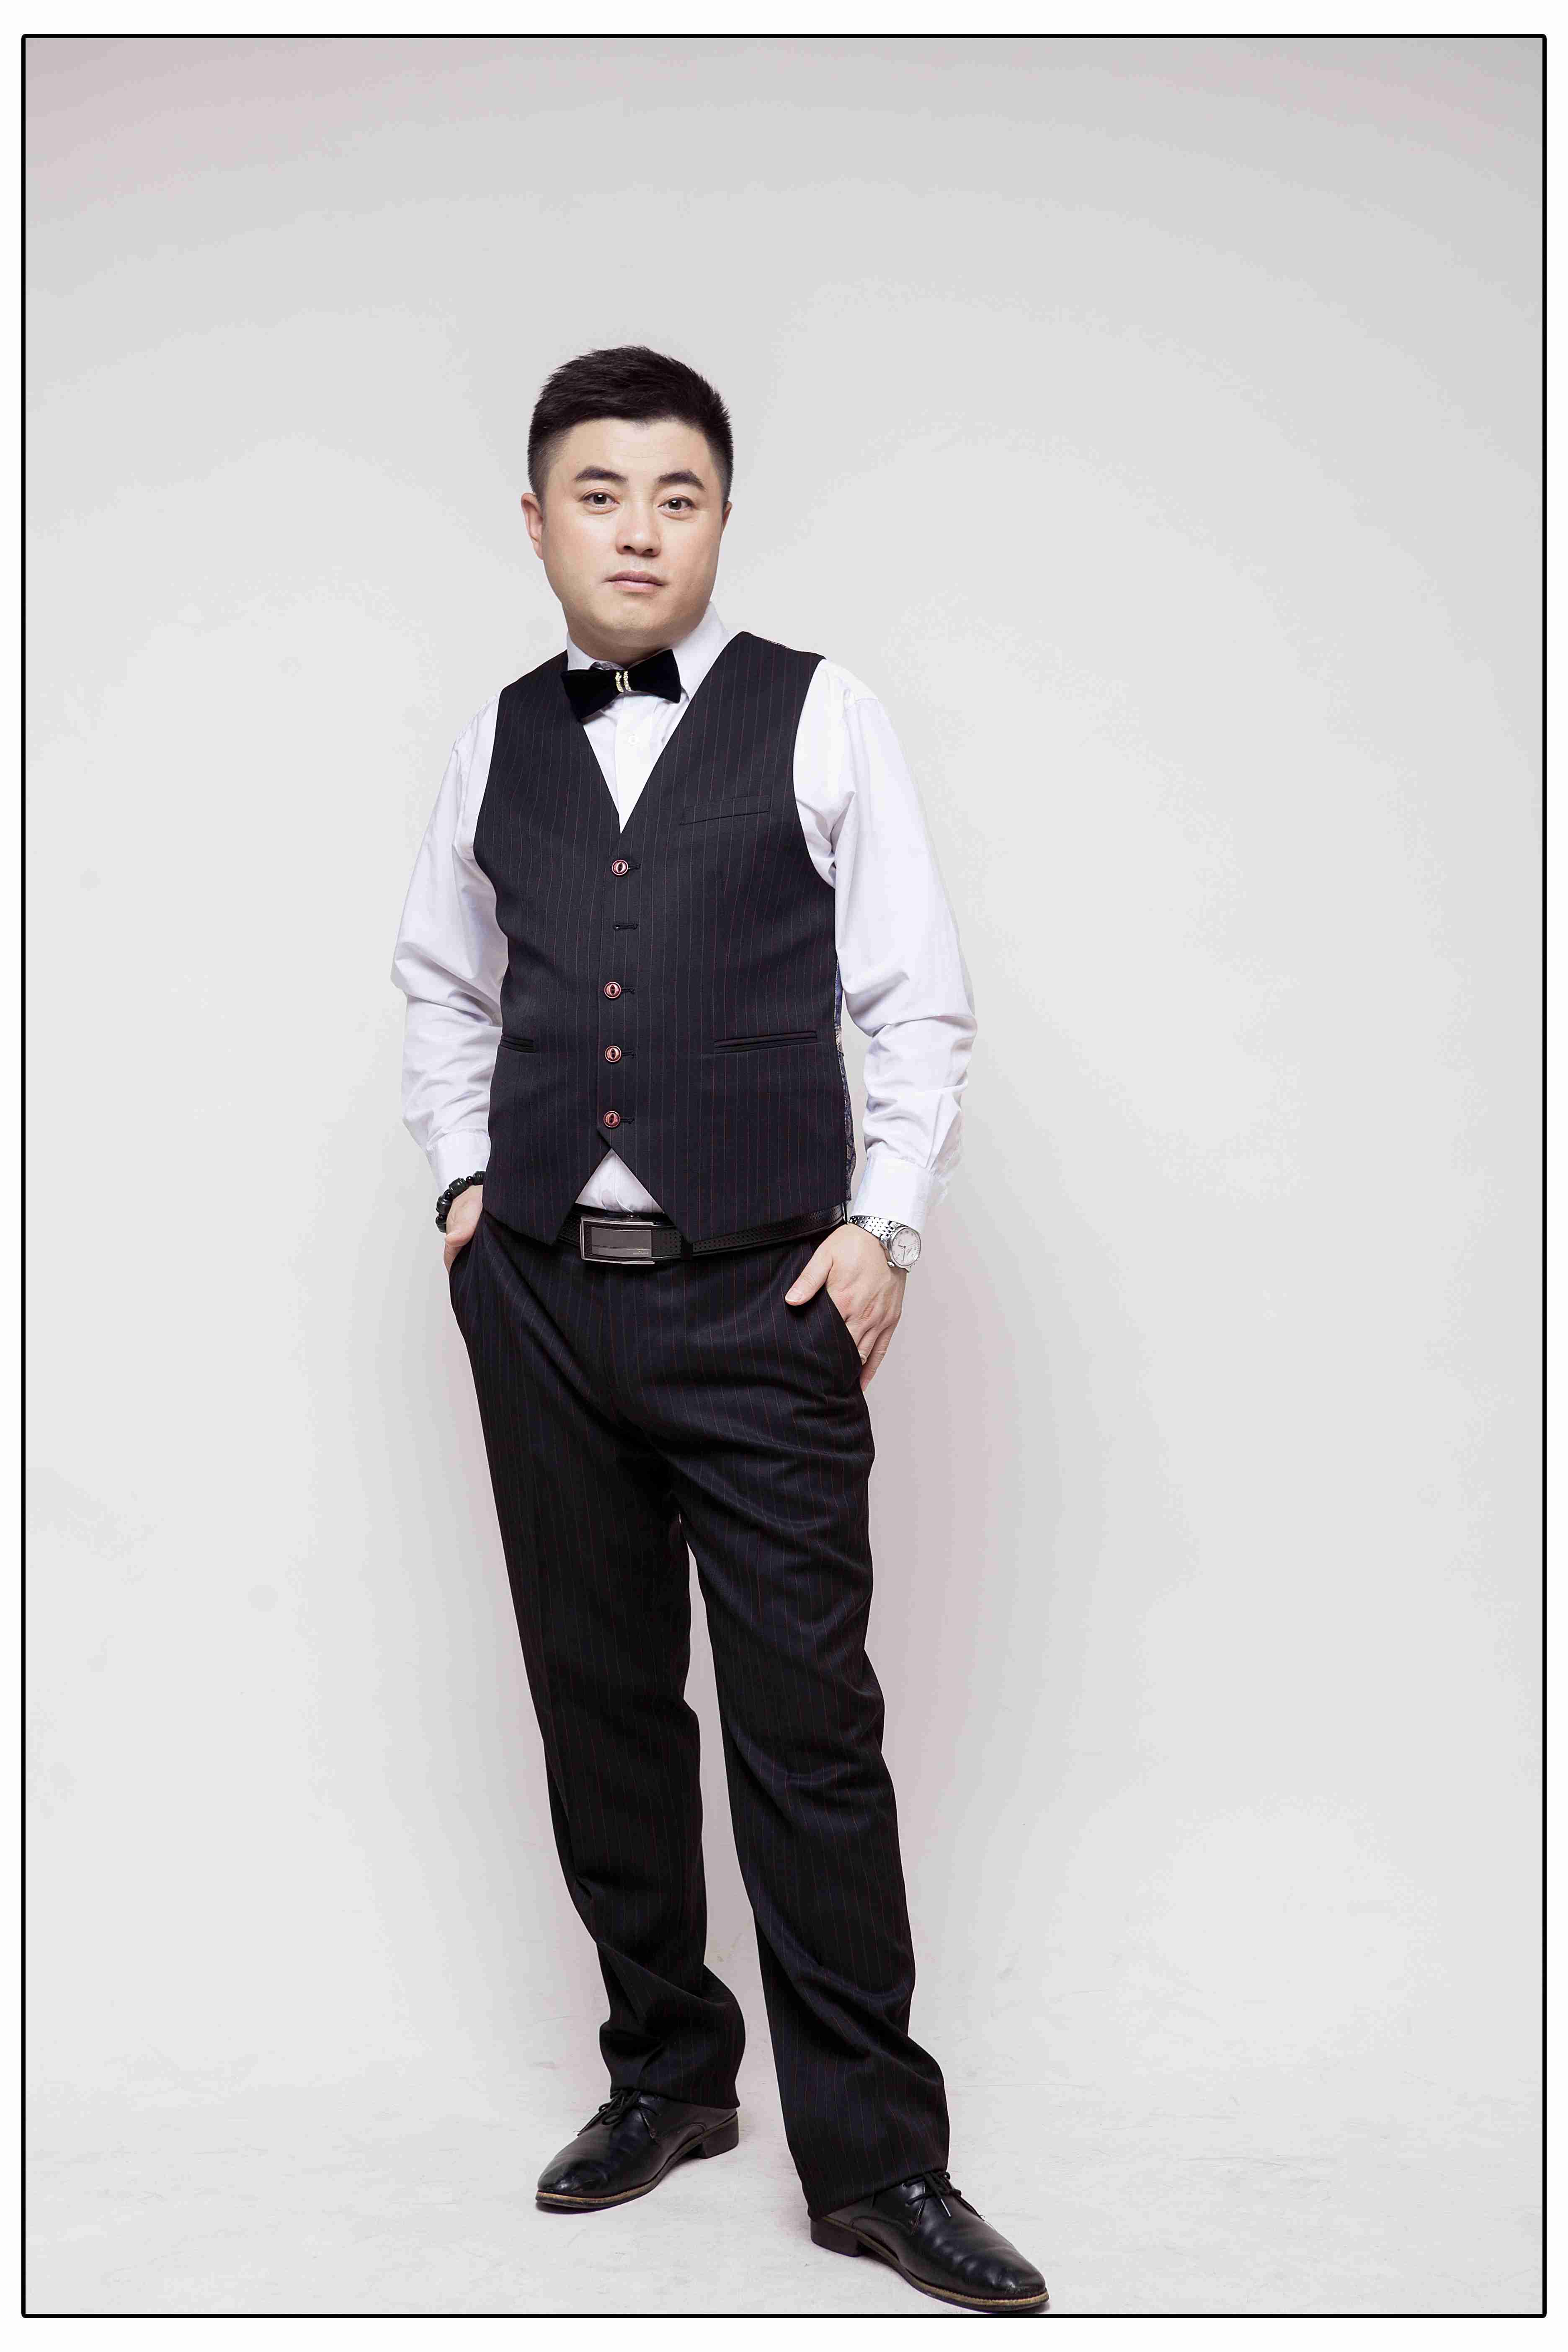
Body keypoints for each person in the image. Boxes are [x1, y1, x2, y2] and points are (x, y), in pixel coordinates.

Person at [390, 343, 1047, 2316]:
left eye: (676, 497)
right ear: (536, 522)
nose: (638, 531)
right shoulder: (494, 740)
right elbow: (442, 983)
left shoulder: (821, 713)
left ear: (722, 521)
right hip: (542, 1302)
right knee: (598, 1707)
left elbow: (914, 998)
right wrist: (462, 1191)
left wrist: (885, 1228)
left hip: (764, 1298)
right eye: (599, 495)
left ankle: (881, 2164)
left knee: (807, 1734)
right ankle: (669, 2076)